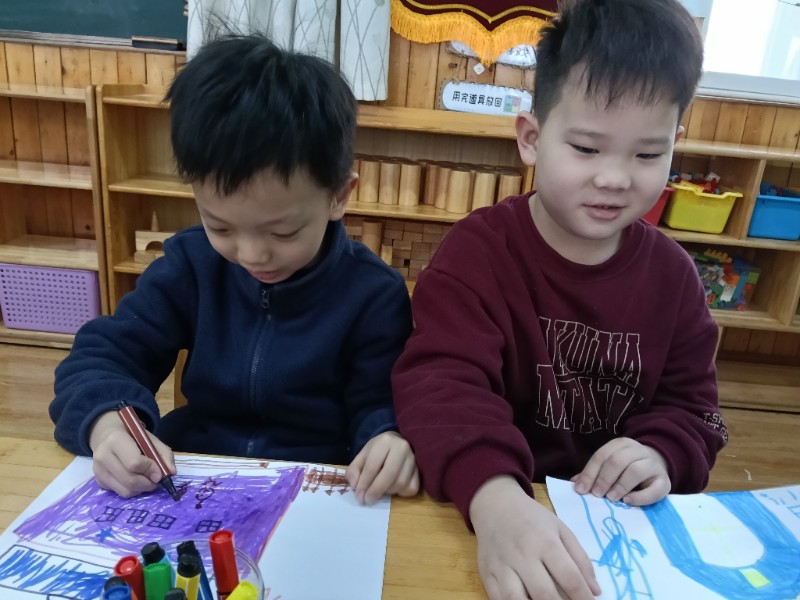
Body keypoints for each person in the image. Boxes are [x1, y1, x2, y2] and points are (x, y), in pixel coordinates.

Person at [391, 0, 728, 598]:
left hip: (619, 536)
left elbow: (695, 412)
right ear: (531, 137)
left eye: (648, 154)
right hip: (492, 509)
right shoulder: (477, 253)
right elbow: (441, 385)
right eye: (588, 149)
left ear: (675, 145)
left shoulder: (675, 279)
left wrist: (662, 453)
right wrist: (495, 497)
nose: (615, 178)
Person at [50, 34, 418, 507]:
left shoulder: (373, 294)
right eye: (219, 226)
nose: (251, 255)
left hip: (314, 490)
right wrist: (106, 424)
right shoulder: (192, 265)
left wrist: (387, 437)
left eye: (282, 232)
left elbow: (380, 403)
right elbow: (102, 356)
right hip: (193, 479)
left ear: (338, 196)